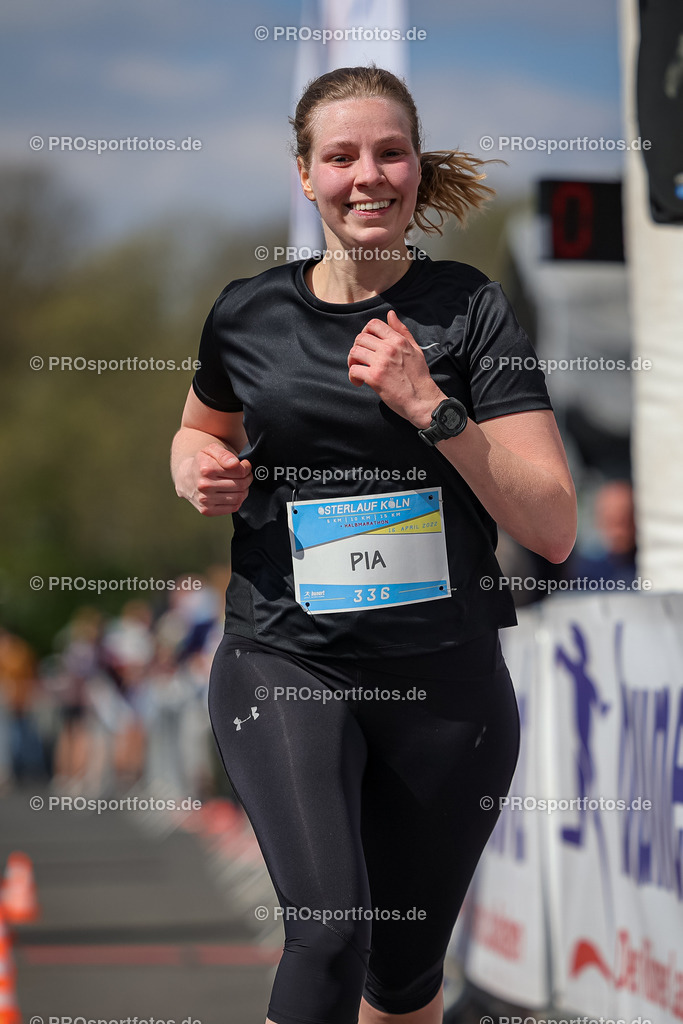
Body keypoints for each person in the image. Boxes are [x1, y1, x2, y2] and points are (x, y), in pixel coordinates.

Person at [171, 66, 576, 1024]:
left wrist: (428, 405)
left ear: (416, 168)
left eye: (389, 152)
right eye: (341, 156)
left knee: (401, 988)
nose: (368, 175)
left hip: (445, 684)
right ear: (305, 174)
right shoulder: (249, 312)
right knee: (328, 930)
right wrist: (196, 467)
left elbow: (552, 525)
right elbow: (199, 431)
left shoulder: (468, 310)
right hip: (286, 659)